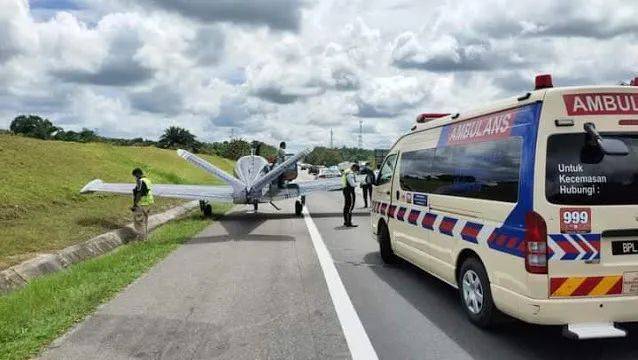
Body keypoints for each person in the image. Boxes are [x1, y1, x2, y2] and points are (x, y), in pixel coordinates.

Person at [131, 168, 154, 240]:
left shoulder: (139, 181)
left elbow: (139, 193)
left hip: (141, 204)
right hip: (149, 204)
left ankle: (142, 240)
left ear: (137, 174)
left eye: (134, 176)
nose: (135, 178)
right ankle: (145, 238)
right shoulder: (148, 180)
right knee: (144, 222)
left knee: (139, 223)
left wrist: (135, 204)